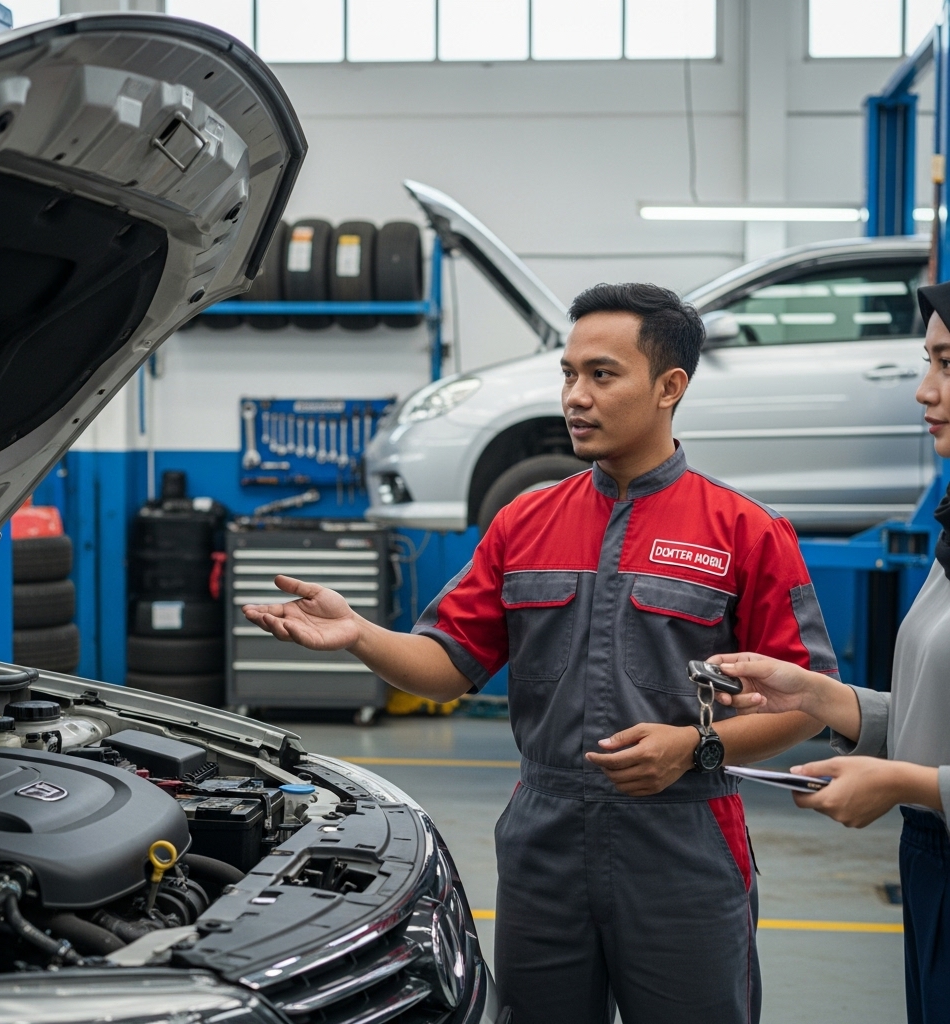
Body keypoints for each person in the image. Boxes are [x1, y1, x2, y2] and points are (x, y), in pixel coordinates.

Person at [243, 283, 839, 1024]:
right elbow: (447, 668)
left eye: (602, 374)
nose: (575, 397)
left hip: (683, 840)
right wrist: (359, 633)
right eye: (569, 373)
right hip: (545, 841)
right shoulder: (524, 521)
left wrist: (695, 748)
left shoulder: (744, 531)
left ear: (670, 387)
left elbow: (809, 703)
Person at [709, 280, 950, 1024]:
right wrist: (820, 698)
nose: (923, 390)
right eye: (928, 362)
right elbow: (936, 713)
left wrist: (910, 783)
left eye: (946, 364)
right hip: (934, 856)